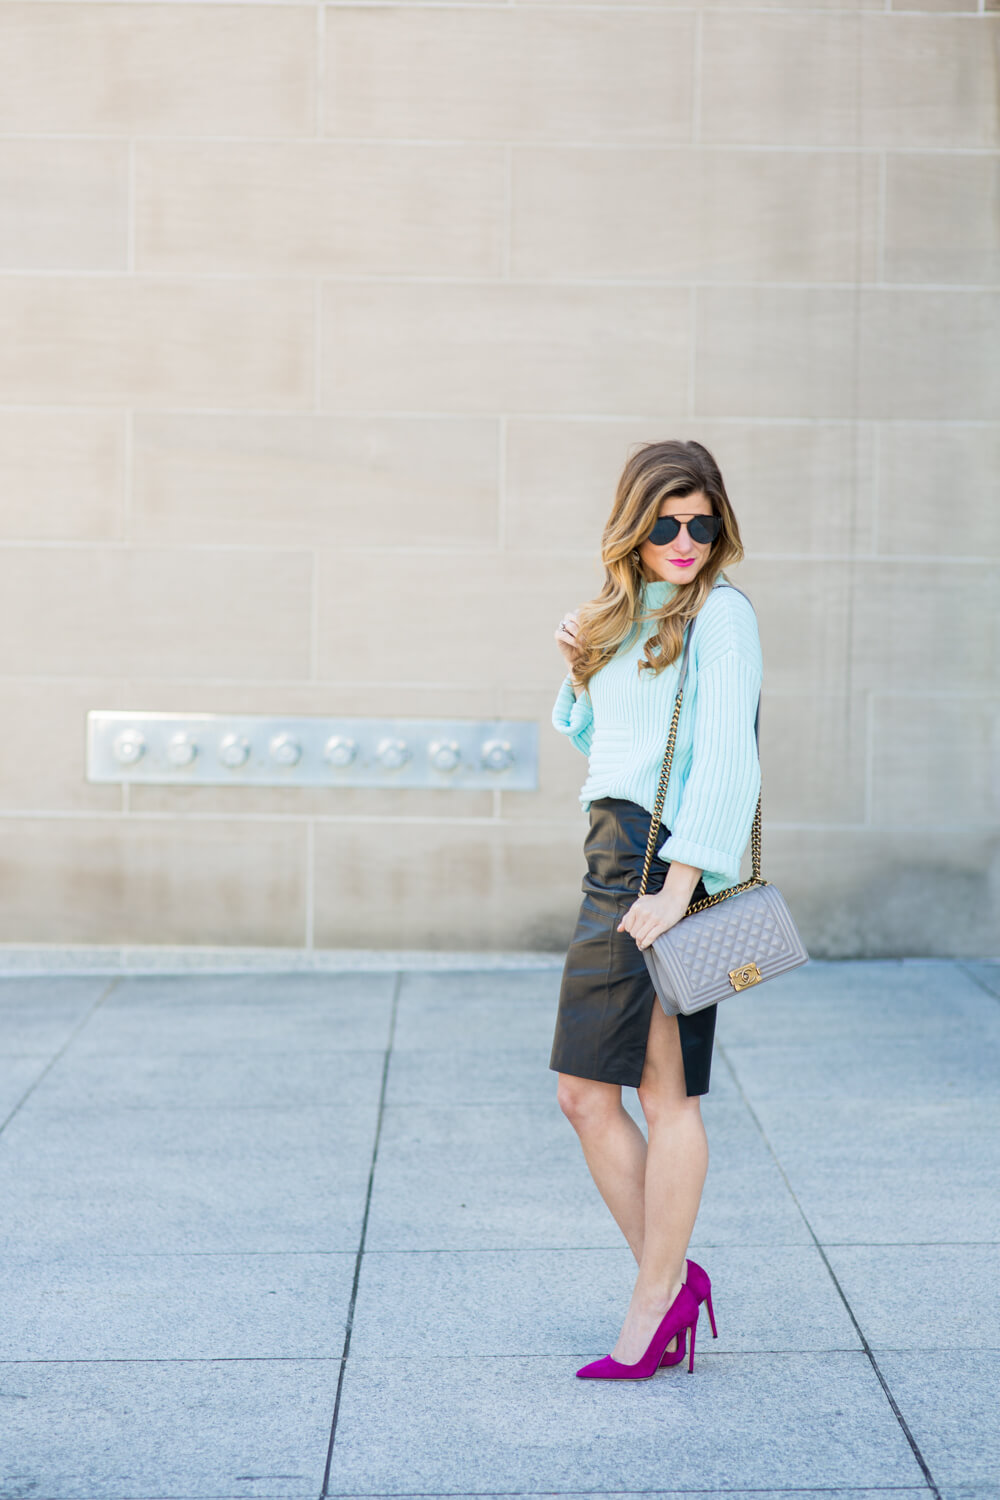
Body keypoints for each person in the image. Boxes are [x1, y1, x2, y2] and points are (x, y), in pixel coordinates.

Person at [550, 439, 763, 1381]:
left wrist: (680, 886)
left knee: (662, 1093)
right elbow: (598, 742)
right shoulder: (633, 614)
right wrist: (578, 665)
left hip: (661, 864)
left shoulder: (723, 616)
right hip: (613, 853)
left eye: (701, 521)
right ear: (634, 531)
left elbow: (726, 759)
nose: (685, 539)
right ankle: (670, 1279)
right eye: (666, 523)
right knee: (585, 1093)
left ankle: (656, 1297)